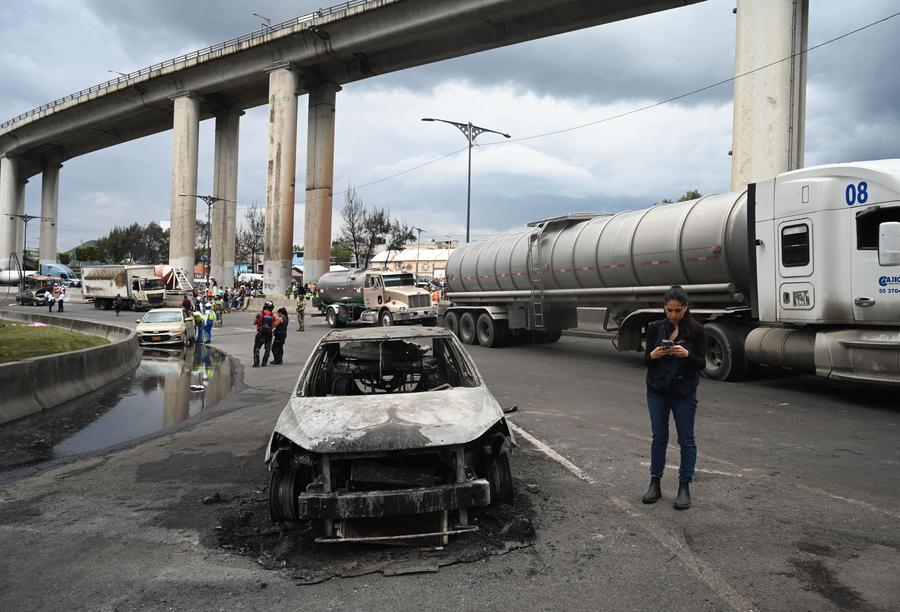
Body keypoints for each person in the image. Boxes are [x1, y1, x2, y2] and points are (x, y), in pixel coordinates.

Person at [641, 285, 706, 510]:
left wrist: (687, 354)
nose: (673, 315)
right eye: (669, 310)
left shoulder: (697, 330)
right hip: (657, 389)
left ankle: (684, 487)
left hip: (684, 391)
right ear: (664, 308)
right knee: (659, 437)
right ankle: (655, 483)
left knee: (686, 439)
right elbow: (646, 361)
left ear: (685, 308)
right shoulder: (655, 328)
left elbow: (702, 364)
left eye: (678, 310)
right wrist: (653, 354)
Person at [253, 301, 275, 367]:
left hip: (260, 332)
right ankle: (264, 362)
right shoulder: (273, 315)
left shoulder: (260, 314)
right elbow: (273, 325)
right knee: (267, 348)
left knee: (257, 347)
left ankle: (256, 363)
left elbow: (254, 323)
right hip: (269, 333)